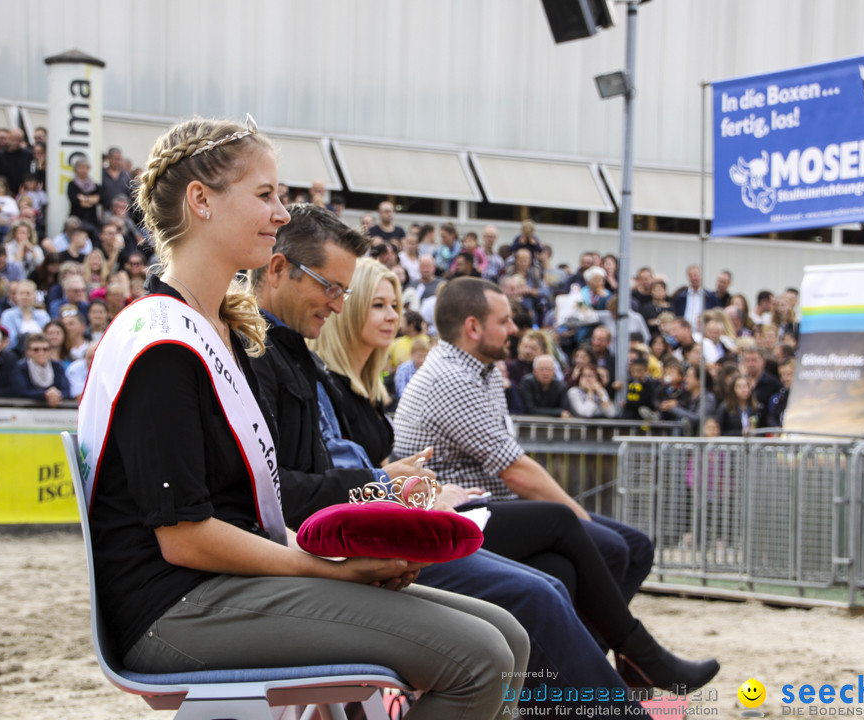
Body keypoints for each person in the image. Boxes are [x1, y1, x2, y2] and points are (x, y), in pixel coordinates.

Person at [77, 117, 526, 719]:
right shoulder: (163, 343)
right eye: (265, 195)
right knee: (481, 658)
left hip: (229, 587)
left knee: (510, 639)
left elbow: (245, 507)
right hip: (175, 607)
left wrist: (346, 555)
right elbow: (184, 537)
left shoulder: (222, 333)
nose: (283, 214)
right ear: (201, 201)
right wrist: (327, 570)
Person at [311, 256, 719, 703]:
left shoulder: (418, 381)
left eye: (393, 305)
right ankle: (609, 673)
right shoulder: (438, 377)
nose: (393, 316)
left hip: (447, 509)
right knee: (584, 538)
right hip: (432, 521)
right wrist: (428, 492)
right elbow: (514, 468)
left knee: (590, 558)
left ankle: (575, 684)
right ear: (472, 326)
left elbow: (383, 465)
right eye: (378, 306)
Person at [392, 277, 655, 601]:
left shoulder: (483, 371)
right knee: (605, 546)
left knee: (636, 546)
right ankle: (604, 647)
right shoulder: (452, 376)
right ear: (473, 328)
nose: (514, 329)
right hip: (465, 512)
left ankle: (598, 647)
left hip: (490, 504)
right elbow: (515, 470)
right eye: (504, 321)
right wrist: (581, 520)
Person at [13, 332, 70, 406]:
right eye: (36, 350)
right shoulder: (20, 368)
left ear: (50, 351)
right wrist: (44, 394)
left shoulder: (57, 367)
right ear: (27, 352)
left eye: (45, 349)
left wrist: (56, 395)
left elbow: (66, 391)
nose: (41, 353)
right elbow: (21, 391)